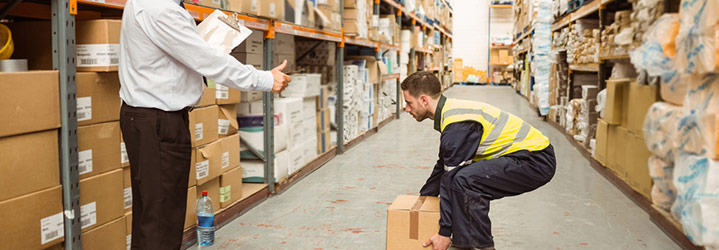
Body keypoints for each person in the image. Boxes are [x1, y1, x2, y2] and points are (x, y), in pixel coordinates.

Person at [118, 0, 291, 249]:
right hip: (158, 123)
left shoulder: (151, 4)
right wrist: (264, 79)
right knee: (162, 221)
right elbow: (209, 61)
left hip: (147, 119)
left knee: (152, 215)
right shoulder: (161, 9)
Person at [399, 71, 556, 250]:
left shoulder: (457, 125)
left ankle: (480, 246)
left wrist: (444, 232)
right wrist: (425, 199)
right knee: (461, 179)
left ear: (424, 100)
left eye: (409, 103)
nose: (407, 109)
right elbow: (443, 164)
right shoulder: (450, 114)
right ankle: (464, 242)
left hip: (535, 160)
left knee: (464, 181)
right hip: (524, 156)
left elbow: (450, 178)